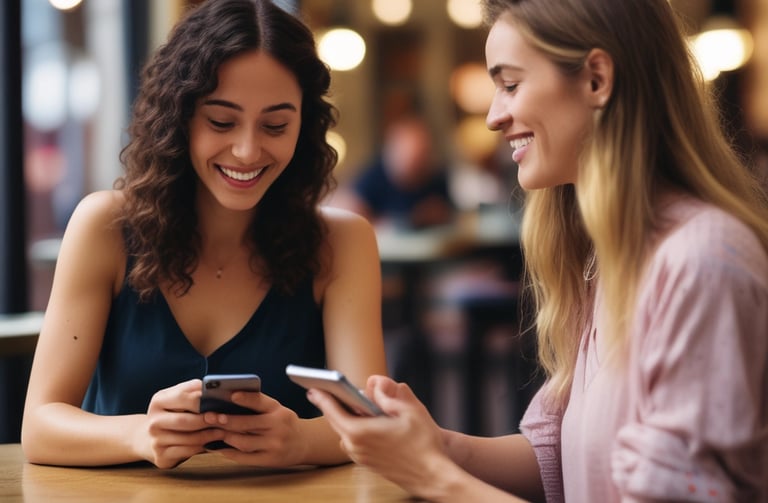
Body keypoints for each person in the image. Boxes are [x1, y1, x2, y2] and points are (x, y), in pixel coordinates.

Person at [308, 0, 768, 501]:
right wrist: (434, 444)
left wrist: (431, 476)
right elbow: (557, 460)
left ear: (596, 79)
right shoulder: (602, 256)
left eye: (510, 84)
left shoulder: (702, 262)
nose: (492, 117)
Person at [21, 0, 387, 470]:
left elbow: (371, 424)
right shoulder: (104, 227)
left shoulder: (342, 243)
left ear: (305, 124)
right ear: (180, 116)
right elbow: (39, 426)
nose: (247, 150)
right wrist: (139, 434)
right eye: (221, 121)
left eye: (276, 125)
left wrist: (300, 440)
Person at [332, 113, 456, 230]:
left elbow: (449, 216)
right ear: (393, 151)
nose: (416, 163)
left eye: (422, 155)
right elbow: (353, 215)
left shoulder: (435, 178)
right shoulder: (370, 179)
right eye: (410, 156)